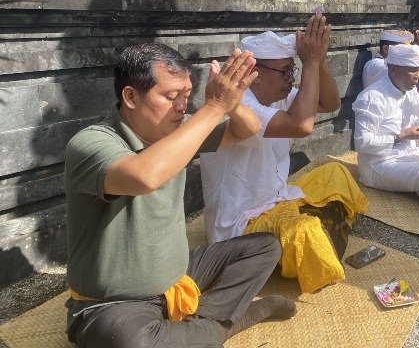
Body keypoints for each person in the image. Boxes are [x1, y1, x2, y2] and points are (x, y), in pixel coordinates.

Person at [64, 43, 297, 348]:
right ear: (131, 97)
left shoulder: (179, 130)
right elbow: (144, 176)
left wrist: (232, 104)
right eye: (171, 96)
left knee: (265, 247)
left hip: (177, 272)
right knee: (131, 343)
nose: (182, 107)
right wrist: (214, 107)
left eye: (186, 95)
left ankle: (202, 328)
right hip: (115, 302)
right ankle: (226, 324)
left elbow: (248, 129)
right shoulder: (90, 143)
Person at [201, 13, 368, 294]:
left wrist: (317, 60)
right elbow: (302, 125)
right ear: (254, 74)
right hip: (242, 225)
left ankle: (317, 237)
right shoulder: (240, 105)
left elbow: (330, 103)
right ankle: (317, 237)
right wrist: (310, 63)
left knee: (335, 173)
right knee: (305, 232)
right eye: (285, 72)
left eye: (294, 70)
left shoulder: (278, 96)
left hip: (278, 199)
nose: (292, 79)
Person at [353, 43, 419, 199]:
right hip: (379, 165)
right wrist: (401, 136)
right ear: (393, 69)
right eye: (412, 70)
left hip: (408, 154)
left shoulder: (410, 92)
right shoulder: (371, 98)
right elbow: (362, 144)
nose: (417, 76)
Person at [362, 18, 419, 88]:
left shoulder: (403, 66)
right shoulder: (374, 65)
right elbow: (405, 70)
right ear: (386, 49)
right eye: (403, 48)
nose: (408, 52)